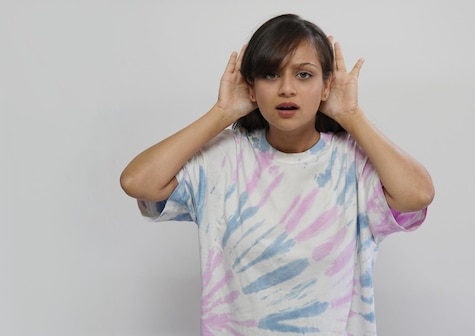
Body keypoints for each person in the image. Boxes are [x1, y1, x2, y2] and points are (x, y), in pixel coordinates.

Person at [120, 13, 434, 335]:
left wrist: (352, 115)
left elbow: (418, 194)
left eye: (304, 75)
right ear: (251, 87)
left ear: (326, 85)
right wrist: (221, 113)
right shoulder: (224, 158)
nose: (287, 89)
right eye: (270, 75)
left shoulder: (352, 162)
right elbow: (137, 182)